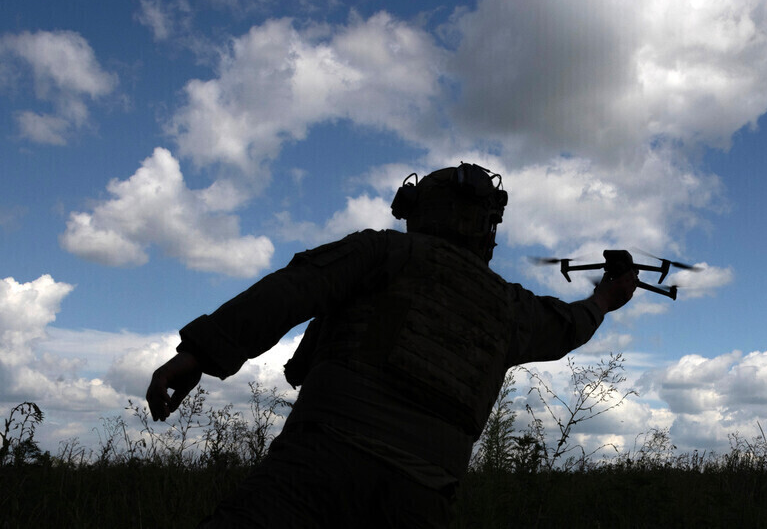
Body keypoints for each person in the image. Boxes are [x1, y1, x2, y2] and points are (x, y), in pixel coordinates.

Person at [146, 162, 637, 527]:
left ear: (419, 210)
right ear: (487, 225)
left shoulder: (382, 251)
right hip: (422, 497)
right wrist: (606, 297)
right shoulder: (511, 307)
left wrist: (198, 355)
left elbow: (292, 290)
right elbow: (570, 324)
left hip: (316, 469)